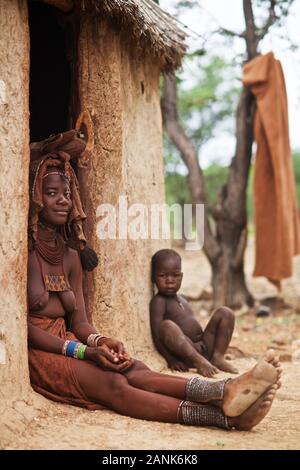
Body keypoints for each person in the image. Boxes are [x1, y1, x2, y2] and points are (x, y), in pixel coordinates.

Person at [27, 133, 281, 431]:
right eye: (52, 193)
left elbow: (79, 321)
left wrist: (101, 341)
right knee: (114, 384)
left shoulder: (71, 256)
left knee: (134, 368)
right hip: (42, 354)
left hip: (70, 343)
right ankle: (226, 418)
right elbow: (25, 329)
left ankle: (223, 390)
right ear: (34, 197)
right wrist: (83, 351)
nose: (63, 200)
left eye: (67, 193)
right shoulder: (24, 255)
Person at [150, 249, 238, 377]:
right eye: (163, 276)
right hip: (187, 352)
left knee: (225, 312)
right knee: (167, 326)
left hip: (204, 345)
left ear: (181, 276)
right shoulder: (159, 301)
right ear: (153, 278)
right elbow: (158, 335)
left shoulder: (182, 298)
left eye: (175, 275)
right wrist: (171, 359)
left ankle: (218, 357)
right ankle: (199, 362)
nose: (170, 280)